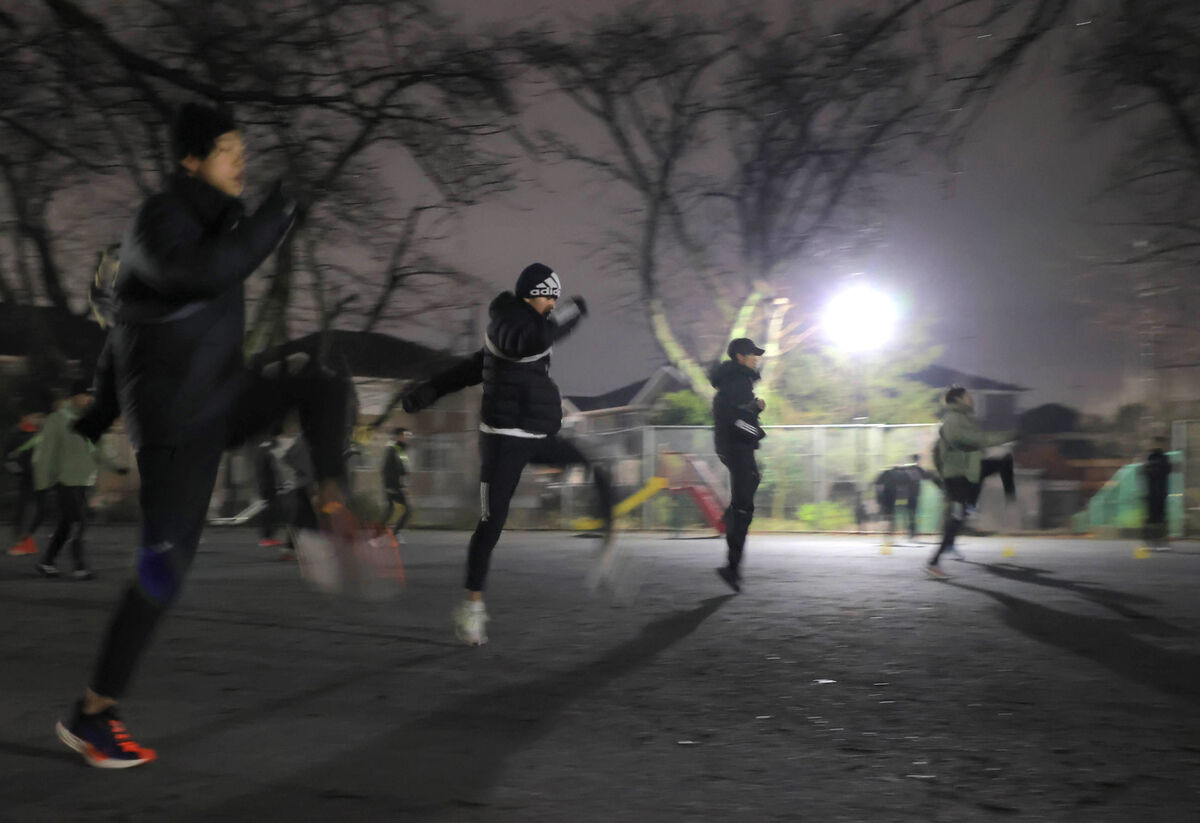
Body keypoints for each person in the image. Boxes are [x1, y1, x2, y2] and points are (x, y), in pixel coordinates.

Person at [54, 102, 358, 769]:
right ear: (191, 158)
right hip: (176, 425)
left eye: (244, 150)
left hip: (223, 397)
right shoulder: (157, 220)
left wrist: (269, 216)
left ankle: (320, 507)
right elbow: (194, 276)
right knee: (163, 571)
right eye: (228, 149)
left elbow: (215, 272)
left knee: (323, 379)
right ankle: (94, 712)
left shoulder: (223, 224)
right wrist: (274, 217)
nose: (241, 160)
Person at [400, 263, 614, 645]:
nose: (553, 305)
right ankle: (471, 607)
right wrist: (573, 310)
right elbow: (528, 338)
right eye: (551, 298)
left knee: (594, 465)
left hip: (536, 435)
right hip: (502, 442)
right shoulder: (514, 325)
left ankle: (608, 542)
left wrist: (429, 391)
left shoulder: (527, 328)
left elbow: (472, 368)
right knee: (491, 525)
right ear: (538, 294)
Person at [32, 382, 126, 580]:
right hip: (65, 481)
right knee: (79, 522)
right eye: (85, 395)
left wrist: (117, 466)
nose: (89, 399)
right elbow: (45, 453)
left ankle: (46, 561)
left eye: (91, 396)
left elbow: (100, 449)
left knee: (66, 524)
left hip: (84, 481)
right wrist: (42, 482)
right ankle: (79, 567)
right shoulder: (57, 420)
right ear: (73, 396)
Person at [926, 387, 1017, 579]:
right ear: (958, 399)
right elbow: (970, 440)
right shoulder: (953, 419)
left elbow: (971, 444)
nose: (971, 399)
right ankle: (934, 562)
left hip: (967, 474)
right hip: (957, 477)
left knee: (1003, 462)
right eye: (967, 396)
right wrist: (1007, 436)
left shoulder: (963, 418)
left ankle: (979, 504)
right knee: (956, 519)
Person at [710, 338, 767, 593]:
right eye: (752, 354)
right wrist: (756, 430)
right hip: (738, 448)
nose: (756, 358)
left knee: (752, 482)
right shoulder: (739, 382)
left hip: (733, 448)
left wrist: (753, 409)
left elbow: (736, 413)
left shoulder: (733, 382)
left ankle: (732, 516)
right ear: (740, 357)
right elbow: (735, 420)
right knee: (744, 509)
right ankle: (731, 567)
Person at [5, 410, 45, 556]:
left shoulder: (39, 432)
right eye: (35, 416)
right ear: (25, 416)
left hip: (40, 475)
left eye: (40, 417)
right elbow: (8, 456)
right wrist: (18, 472)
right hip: (25, 476)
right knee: (23, 507)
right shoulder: (16, 433)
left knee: (40, 508)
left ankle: (26, 539)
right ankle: (21, 538)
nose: (38, 420)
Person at [897, 453, 938, 542]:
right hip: (914, 495)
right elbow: (927, 476)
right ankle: (912, 532)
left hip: (907, 495)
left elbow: (900, 478)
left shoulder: (906, 469)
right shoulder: (918, 469)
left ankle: (910, 532)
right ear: (917, 460)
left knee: (909, 514)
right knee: (913, 514)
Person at [254, 432, 284, 549]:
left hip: (264, 485)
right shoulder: (269, 451)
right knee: (271, 511)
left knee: (269, 510)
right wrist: (280, 484)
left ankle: (267, 537)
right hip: (269, 486)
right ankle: (267, 537)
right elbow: (274, 469)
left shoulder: (262, 449)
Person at [1142, 437, 1171, 551]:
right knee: (1158, 518)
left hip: (1154, 493)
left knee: (1154, 518)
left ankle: (1154, 541)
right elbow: (1167, 470)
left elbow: (1145, 472)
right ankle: (1159, 542)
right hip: (1159, 493)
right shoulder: (1163, 458)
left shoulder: (1151, 458)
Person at [382, 427, 413, 536]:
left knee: (390, 509)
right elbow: (386, 469)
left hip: (396, 485)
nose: (407, 438)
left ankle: (379, 534)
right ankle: (392, 534)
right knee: (407, 509)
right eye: (405, 435)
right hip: (393, 486)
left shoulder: (399, 450)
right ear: (398, 436)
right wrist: (390, 487)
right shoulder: (393, 450)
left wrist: (405, 475)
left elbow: (402, 468)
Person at [873, 466, 902, 542]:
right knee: (890, 516)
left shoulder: (885, 473)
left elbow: (876, 483)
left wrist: (878, 497)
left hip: (885, 497)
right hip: (891, 497)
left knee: (885, 515)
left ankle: (886, 532)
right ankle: (889, 532)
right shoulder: (897, 476)